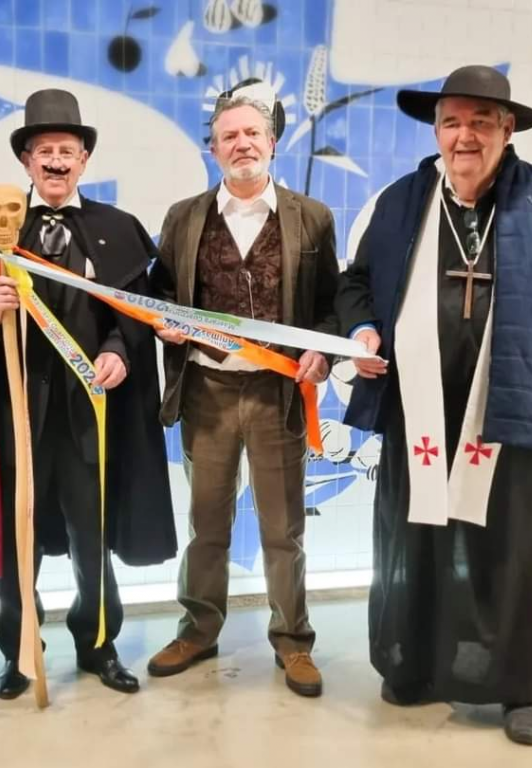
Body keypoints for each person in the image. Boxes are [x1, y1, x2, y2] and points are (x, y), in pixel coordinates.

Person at [336, 65, 532, 745]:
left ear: (508, 130)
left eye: (481, 122)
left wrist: (524, 352)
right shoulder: (402, 201)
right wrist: (363, 330)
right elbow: (356, 282)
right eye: (452, 122)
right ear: (436, 131)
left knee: (507, 549)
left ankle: (518, 688)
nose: (465, 136)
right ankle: (412, 663)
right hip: (416, 406)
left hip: (505, 407)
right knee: (412, 536)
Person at [0, 89, 177, 699]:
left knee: (92, 538)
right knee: (20, 542)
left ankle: (99, 645)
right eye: (43, 150)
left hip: (87, 415)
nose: (55, 161)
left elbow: (135, 311)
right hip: (15, 414)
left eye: (67, 150)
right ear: (26, 161)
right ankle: (20, 652)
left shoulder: (117, 230)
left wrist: (119, 351)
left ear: (84, 159)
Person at [146, 84, 340, 697]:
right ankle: (198, 630)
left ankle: (293, 640)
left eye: (252, 133)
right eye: (228, 136)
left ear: (272, 142)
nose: (241, 144)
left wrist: (324, 353)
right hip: (206, 390)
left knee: (284, 529)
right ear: (214, 149)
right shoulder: (183, 217)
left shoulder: (312, 217)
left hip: (277, 394)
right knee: (207, 524)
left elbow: (330, 305)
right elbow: (161, 295)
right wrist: (163, 322)